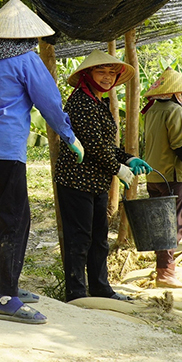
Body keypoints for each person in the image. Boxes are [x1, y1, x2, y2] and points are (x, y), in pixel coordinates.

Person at [0, 0, 82, 324]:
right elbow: (48, 100)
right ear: (26, 34)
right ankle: (8, 298)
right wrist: (68, 136)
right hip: (6, 149)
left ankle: (2, 286)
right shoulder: (26, 59)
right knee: (16, 221)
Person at [56, 50, 152, 302]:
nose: (108, 77)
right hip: (76, 180)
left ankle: (100, 288)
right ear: (87, 75)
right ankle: (76, 293)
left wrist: (128, 158)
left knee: (98, 238)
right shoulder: (80, 102)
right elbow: (93, 145)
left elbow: (106, 144)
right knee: (79, 238)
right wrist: (118, 168)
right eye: (101, 72)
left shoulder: (100, 101)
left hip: (97, 181)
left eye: (112, 73)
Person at [141, 68, 182, 288]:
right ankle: (166, 273)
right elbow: (180, 146)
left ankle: (162, 268)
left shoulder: (151, 111)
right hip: (171, 175)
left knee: (160, 223)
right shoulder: (174, 111)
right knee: (173, 224)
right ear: (178, 94)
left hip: (153, 174)